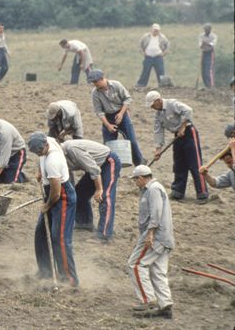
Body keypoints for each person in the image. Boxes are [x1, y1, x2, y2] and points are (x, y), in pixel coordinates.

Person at [29, 132, 79, 287]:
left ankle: (69, 280)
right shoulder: (47, 140)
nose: (39, 154)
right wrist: (40, 170)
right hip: (50, 191)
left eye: (40, 152)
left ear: (46, 146)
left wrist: (47, 206)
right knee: (41, 233)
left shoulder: (53, 161)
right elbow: (40, 157)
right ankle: (46, 271)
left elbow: (56, 193)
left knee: (60, 239)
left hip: (62, 197)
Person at [128, 165, 174, 319]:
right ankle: (165, 306)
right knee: (158, 271)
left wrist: (150, 233)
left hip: (156, 237)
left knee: (135, 264)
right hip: (165, 237)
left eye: (135, 179)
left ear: (141, 178)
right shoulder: (154, 188)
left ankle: (147, 300)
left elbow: (156, 212)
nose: (135, 183)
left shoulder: (153, 189)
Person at [146, 91, 208, 203]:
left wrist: (183, 127)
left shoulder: (172, 103)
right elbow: (158, 132)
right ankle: (178, 192)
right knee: (179, 164)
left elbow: (188, 110)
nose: (152, 108)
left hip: (189, 132)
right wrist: (158, 149)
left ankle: (202, 193)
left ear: (158, 100)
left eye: (153, 105)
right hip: (177, 136)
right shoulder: (158, 115)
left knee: (195, 163)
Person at [61, 139, 121, 241]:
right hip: (95, 167)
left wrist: (99, 189)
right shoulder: (57, 156)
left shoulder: (72, 149)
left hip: (108, 162)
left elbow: (94, 169)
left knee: (105, 197)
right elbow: (67, 174)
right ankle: (84, 223)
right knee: (79, 193)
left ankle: (104, 235)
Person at [90, 69, 144, 166]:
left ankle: (140, 164)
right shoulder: (95, 93)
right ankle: (112, 168)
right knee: (108, 146)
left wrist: (121, 113)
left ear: (102, 79)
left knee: (132, 142)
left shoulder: (116, 85)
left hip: (122, 114)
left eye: (95, 81)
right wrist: (108, 125)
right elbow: (99, 111)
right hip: (107, 118)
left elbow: (127, 99)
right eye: (93, 82)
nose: (94, 84)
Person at [136, 23, 169, 88]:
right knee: (145, 72)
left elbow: (167, 45)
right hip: (148, 57)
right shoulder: (146, 36)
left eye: (157, 30)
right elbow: (140, 44)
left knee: (161, 72)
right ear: (152, 29)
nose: (156, 32)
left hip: (158, 57)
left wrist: (164, 53)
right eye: (155, 30)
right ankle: (141, 85)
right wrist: (143, 52)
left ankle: (163, 85)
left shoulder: (162, 37)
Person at [198, 23, 217, 88]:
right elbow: (200, 45)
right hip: (204, 53)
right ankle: (206, 85)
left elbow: (212, 45)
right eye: (205, 29)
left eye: (207, 29)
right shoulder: (201, 35)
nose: (206, 30)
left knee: (209, 70)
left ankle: (211, 86)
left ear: (210, 29)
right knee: (203, 71)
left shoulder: (213, 36)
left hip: (210, 53)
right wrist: (205, 44)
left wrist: (205, 43)